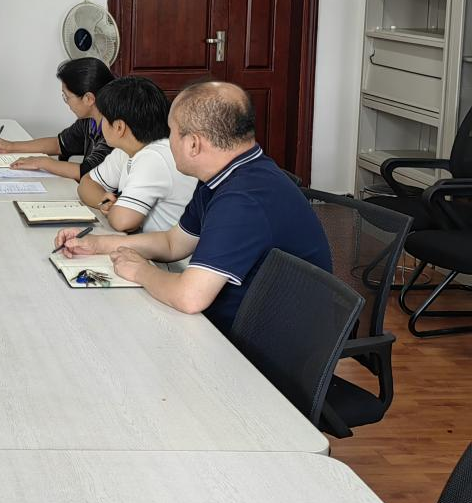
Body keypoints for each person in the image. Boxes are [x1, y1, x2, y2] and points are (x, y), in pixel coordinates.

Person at [55, 80, 332, 334]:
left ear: (193, 144)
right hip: (235, 321)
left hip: (260, 347)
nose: (167, 140)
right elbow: (173, 243)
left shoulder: (242, 199)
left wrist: (140, 271)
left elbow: (189, 297)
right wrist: (98, 244)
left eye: (172, 132)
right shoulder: (225, 174)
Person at [77, 76, 197, 235]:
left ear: (119, 127)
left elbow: (123, 222)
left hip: (169, 251)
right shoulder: (126, 151)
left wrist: (115, 209)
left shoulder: (154, 157)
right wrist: (104, 201)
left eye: (104, 118)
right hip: (149, 245)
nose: (101, 124)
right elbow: (86, 183)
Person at [0, 57, 115, 181]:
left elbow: (89, 172)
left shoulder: (113, 130)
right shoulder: (90, 120)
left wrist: (43, 162)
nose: (67, 102)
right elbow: (59, 144)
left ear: (89, 99)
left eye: (67, 97)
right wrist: (10, 146)